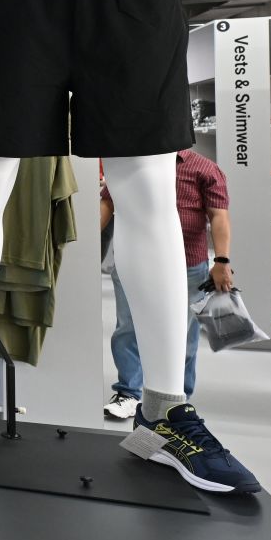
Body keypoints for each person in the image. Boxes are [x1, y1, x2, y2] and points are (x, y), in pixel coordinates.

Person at [100, 149, 232, 421]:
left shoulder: (205, 169)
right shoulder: (133, 163)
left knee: (181, 334)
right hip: (134, 260)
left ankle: (176, 399)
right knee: (128, 327)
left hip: (188, 265)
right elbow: (108, 203)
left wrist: (222, 260)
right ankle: (128, 392)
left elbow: (218, 216)